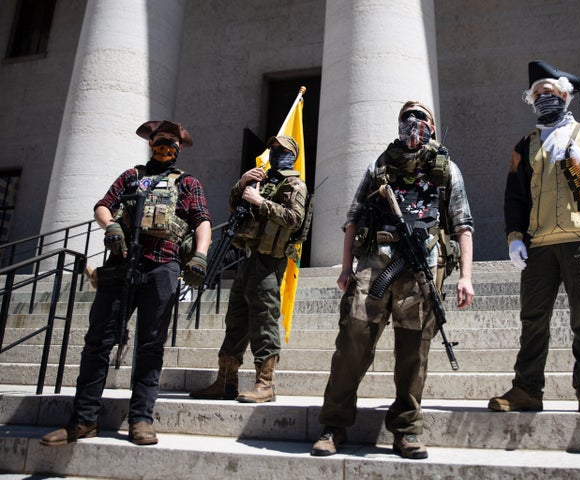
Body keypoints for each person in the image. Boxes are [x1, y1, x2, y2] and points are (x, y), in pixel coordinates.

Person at [310, 101, 475, 460]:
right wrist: (344, 268)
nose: (413, 122)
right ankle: (334, 424)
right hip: (375, 263)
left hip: (423, 268)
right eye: (406, 116)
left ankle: (406, 429)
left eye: (421, 116)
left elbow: (463, 225)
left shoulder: (447, 170)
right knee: (353, 340)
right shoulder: (379, 165)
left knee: (414, 350)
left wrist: (465, 276)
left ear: (432, 125)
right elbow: (353, 217)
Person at [41, 120, 212, 446]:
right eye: (160, 141)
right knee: (98, 344)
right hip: (121, 265)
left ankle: (141, 420)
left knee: (150, 347)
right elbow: (103, 206)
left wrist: (200, 255)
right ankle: (83, 420)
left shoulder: (188, 183)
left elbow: (202, 221)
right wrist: (110, 227)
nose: (165, 147)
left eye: (171, 143)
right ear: (151, 144)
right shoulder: (132, 176)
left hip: (162, 268)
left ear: (178, 148)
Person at [488, 61, 580, 415]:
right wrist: (514, 238)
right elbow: (515, 197)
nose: (543, 99)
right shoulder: (524, 145)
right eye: (537, 95)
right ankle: (527, 388)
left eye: (549, 93)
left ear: (565, 95)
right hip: (538, 246)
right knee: (533, 320)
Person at [189, 135, 307, 403]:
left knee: (264, 320)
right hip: (249, 259)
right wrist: (242, 183)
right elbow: (234, 207)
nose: (275, 152)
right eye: (273, 148)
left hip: (269, 262)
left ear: (293, 154)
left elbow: (294, 218)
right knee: (236, 320)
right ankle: (225, 381)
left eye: (282, 149)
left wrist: (259, 202)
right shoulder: (262, 182)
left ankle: (265, 384)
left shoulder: (294, 184)